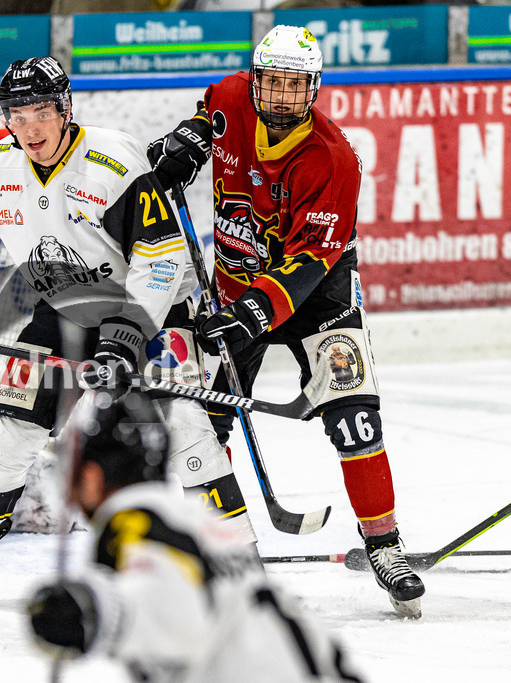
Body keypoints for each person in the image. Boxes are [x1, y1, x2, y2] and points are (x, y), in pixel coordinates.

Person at [0, 56, 256, 609]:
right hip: (63, 313)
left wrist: (127, 335)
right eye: (16, 115)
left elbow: (161, 262)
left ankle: (241, 561)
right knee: (9, 431)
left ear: (66, 108)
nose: (30, 128)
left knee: (189, 431)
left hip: (153, 312)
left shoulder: (114, 160)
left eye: (41, 111)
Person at [147, 25, 425, 617]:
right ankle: (204, 541)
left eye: (294, 85)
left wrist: (255, 310)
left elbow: (310, 264)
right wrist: (188, 141)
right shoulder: (227, 96)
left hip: (316, 297)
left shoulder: (333, 160)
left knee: (355, 420)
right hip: (233, 287)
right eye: (271, 82)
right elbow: (208, 119)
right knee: (204, 423)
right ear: (255, 80)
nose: (280, 96)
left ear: (313, 88)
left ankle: (384, 545)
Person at [26, 391, 367, 683]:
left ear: (93, 475)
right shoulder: (195, 520)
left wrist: (93, 610)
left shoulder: (134, 520)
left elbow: (177, 619)